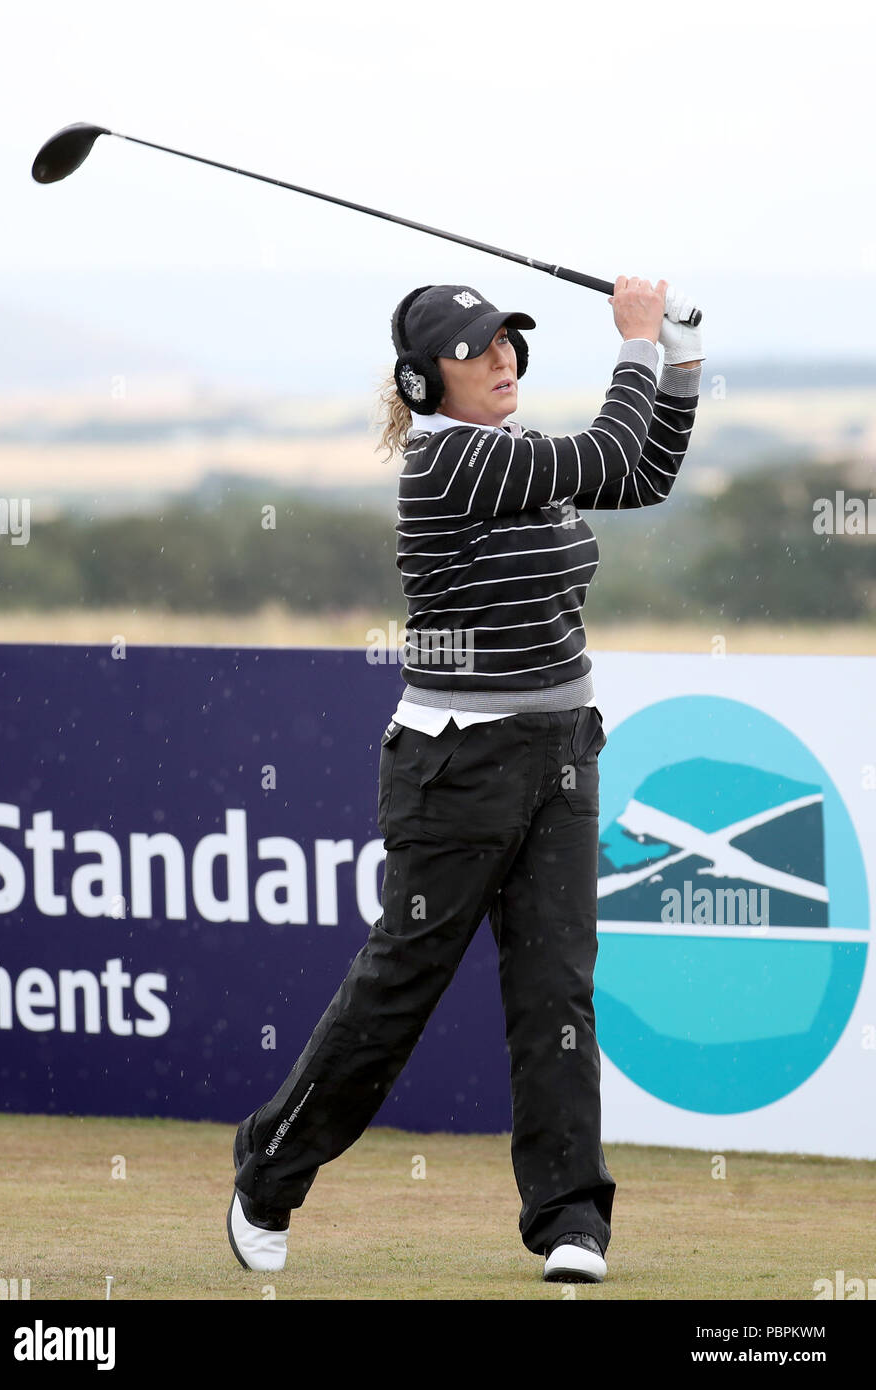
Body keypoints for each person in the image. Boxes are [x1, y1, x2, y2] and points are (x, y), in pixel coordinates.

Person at [227, 276, 704, 1283]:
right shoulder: (453, 462)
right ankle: (269, 1170)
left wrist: (683, 356)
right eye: (479, 347)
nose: (505, 360)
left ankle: (572, 1219)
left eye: (511, 342)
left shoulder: (519, 458)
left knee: (557, 991)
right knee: (400, 987)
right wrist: (634, 342)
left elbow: (643, 474)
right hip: (457, 764)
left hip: (564, 748)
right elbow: (613, 449)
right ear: (422, 378)